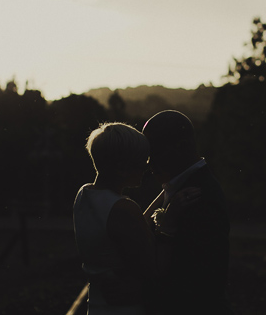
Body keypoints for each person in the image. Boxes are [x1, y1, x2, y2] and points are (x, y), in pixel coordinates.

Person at [73, 122, 200, 314]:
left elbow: (133, 225)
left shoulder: (84, 194)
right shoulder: (123, 208)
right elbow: (157, 269)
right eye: (142, 160)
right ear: (121, 168)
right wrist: (169, 222)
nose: (147, 165)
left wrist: (168, 190)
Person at [142, 110, 233, 315]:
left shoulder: (199, 196)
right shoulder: (182, 187)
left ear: (180, 147)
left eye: (153, 151)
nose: (148, 162)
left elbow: (201, 279)